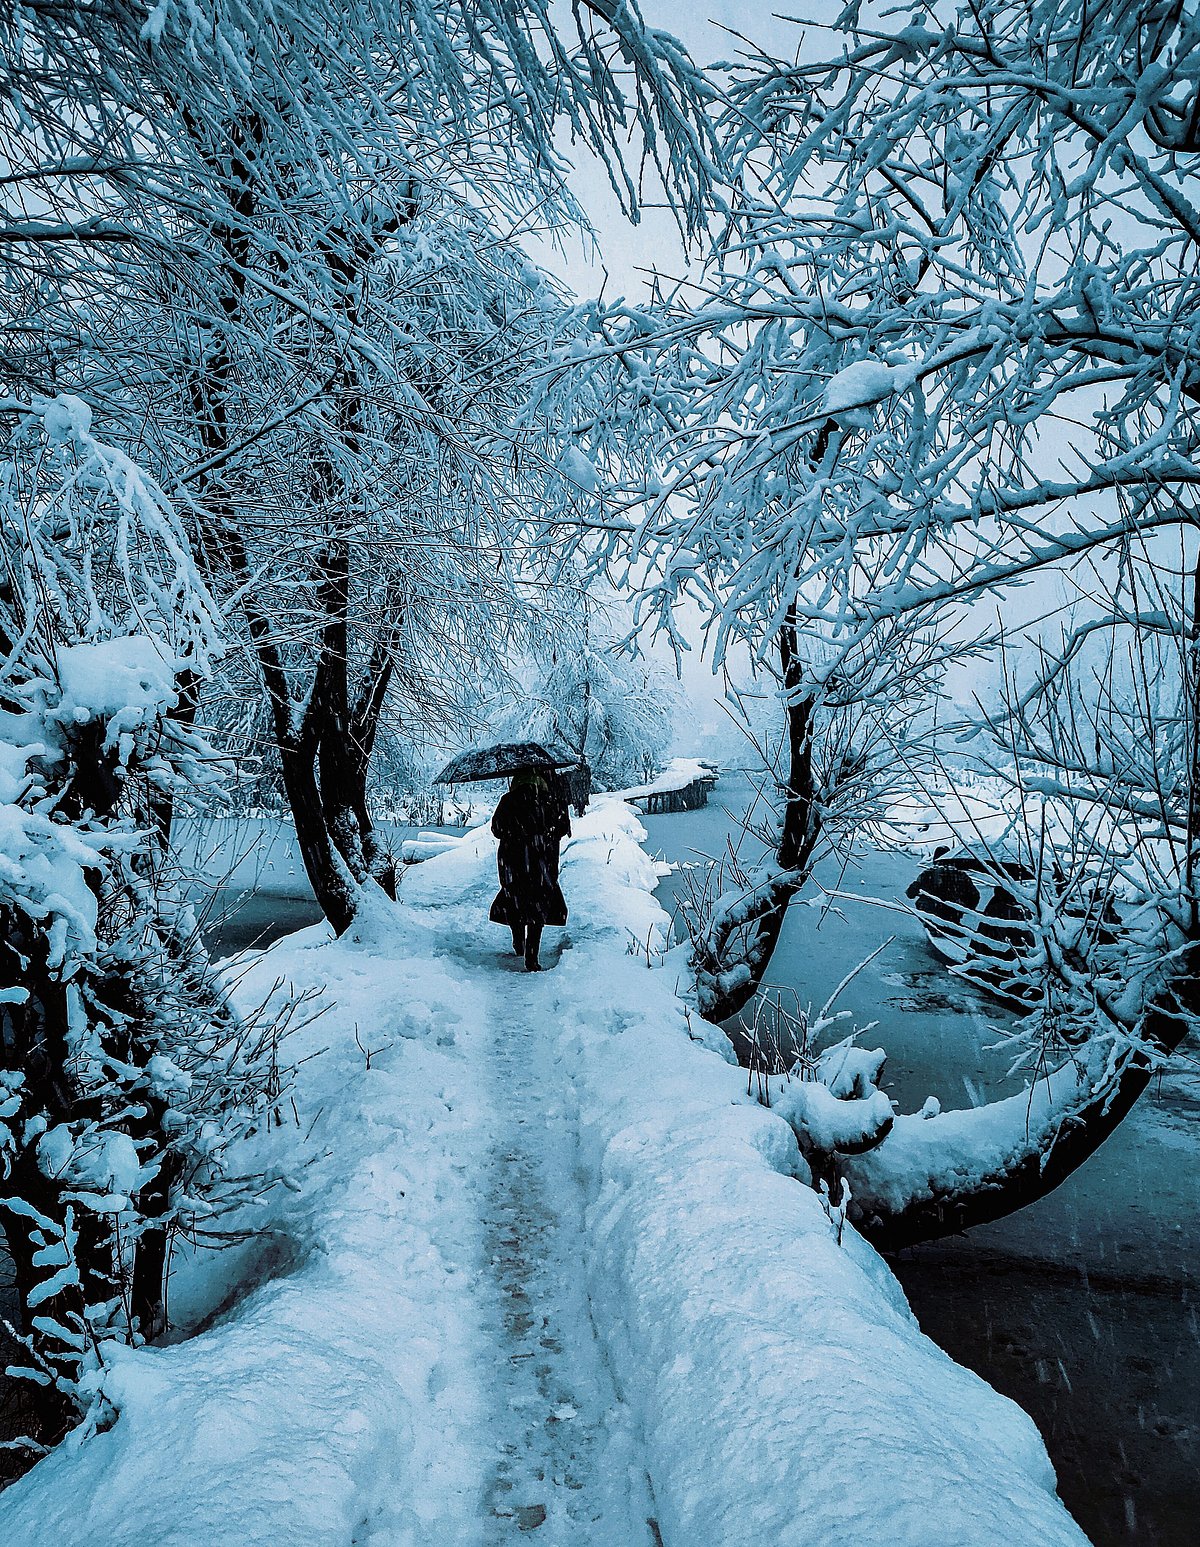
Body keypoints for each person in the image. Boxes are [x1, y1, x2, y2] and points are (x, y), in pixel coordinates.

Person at [489, 768, 571, 971]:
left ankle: (519, 941)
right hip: (542, 860)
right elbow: (563, 829)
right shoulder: (552, 800)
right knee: (538, 903)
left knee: (515, 898)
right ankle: (532, 956)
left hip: (513, 860)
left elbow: (497, 830)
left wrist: (515, 832)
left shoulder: (508, 800)